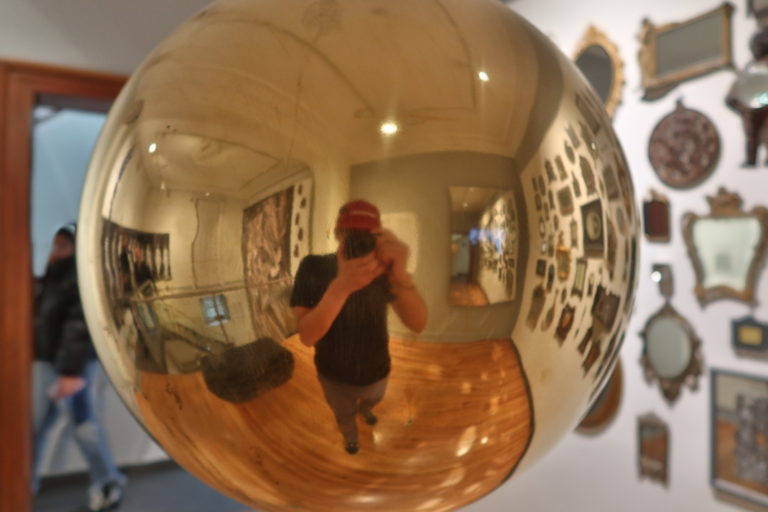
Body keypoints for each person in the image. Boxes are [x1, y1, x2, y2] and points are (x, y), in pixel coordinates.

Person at [290, 200, 427, 455]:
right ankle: (350, 436)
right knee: (343, 413)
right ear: (338, 233)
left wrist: (400, 275)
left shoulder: (383, 270)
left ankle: (365, 411)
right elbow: (307, 337)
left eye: (365, 236)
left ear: (378, 238)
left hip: (377, 371)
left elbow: (418, 323)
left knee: (371, 402)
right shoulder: (313, 266)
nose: (357, 243)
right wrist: (341, 287)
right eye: (350, 234)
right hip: (332, 374)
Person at [33, 224, 127, 511]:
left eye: (63, 245)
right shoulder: (53, 276)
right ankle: (21, 485)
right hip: (48, 363)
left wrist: (70, 373)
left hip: (72, 368)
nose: (56, 250)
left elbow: (78, 325)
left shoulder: (79, 276)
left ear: (76, 247)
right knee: (35, 427)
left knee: (84, 426)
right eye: (55, 245)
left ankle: (108, 483)